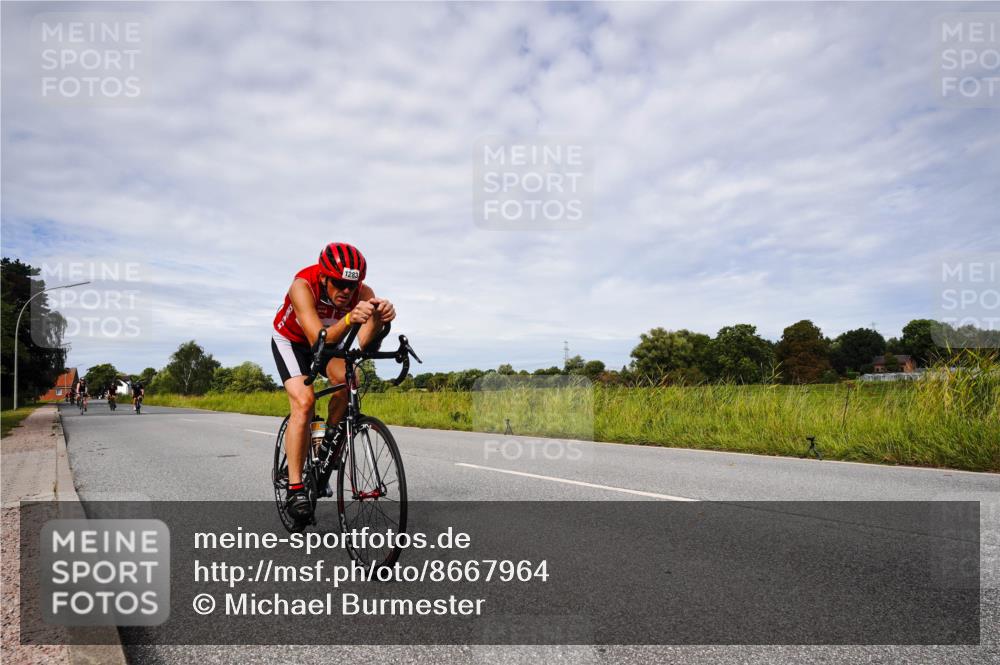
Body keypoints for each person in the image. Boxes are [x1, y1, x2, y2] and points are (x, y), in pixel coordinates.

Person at [272, 242, 395, 521]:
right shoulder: (302, 285)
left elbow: (360, 347)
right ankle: (295, 487)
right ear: (324, 277)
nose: (346, 292)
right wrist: (351, 318)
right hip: (293, 342)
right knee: (305, 402)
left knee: (351, 377)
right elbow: (316, 338)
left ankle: (327, 440)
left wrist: (380, 321)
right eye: (339, 284)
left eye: (352, 286)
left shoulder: (363, 294)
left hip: (330, 343)